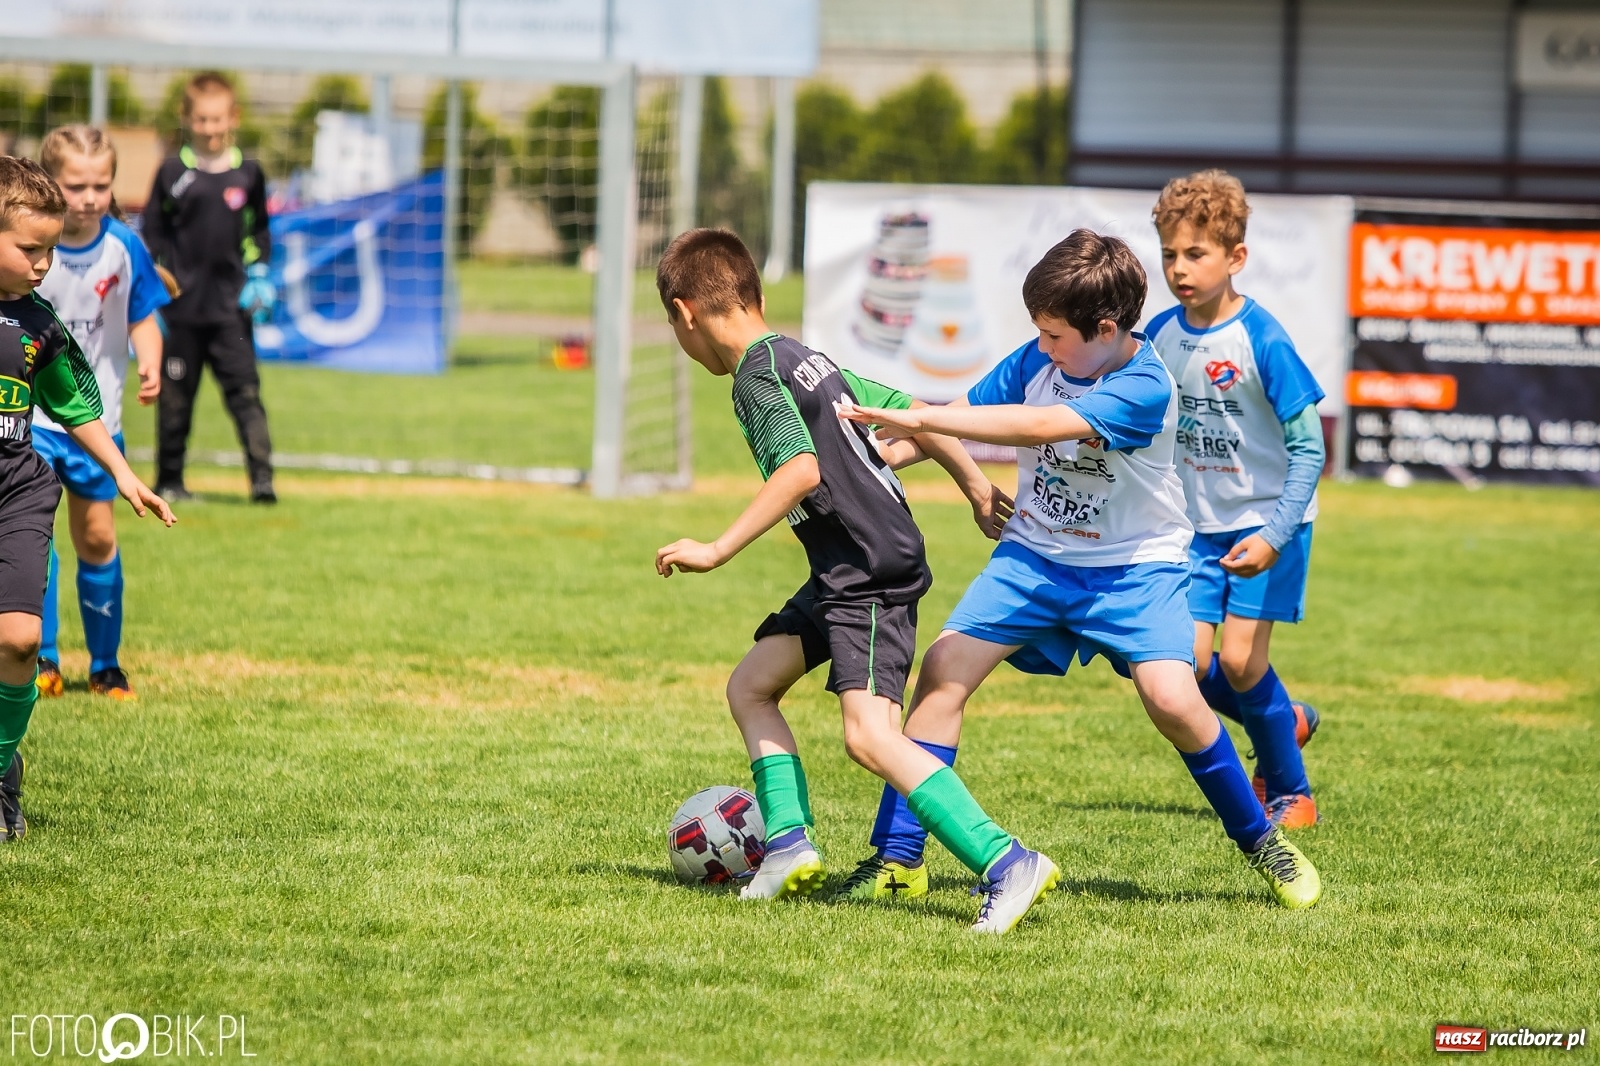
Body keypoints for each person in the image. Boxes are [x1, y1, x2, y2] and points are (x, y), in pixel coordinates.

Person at [836, 229, 1321, 909]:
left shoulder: (1145, 383)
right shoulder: (1042, 358)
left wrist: (911, 415)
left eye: (1054, 336)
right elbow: (955, 419)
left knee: (1175, 700)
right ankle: (899, 857)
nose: (1042, 348)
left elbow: (1037, 428)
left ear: (1104, 328)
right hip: (1034, 558)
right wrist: (873, 454)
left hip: (1135, 570)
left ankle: (1261, 842)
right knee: (944, 674)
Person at [653, 228, 1057, 933]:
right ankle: (785, 846)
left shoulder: (755, 377)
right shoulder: (805, 359)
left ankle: (1007, 862)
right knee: (750, 684)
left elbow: (801, 470)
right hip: (847, 565)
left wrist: (718, 548)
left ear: (685, 313)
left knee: (870, 737)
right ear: (756, 294)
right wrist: (971, 484)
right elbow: (911, 413)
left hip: (866, 572)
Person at [0, 156, 174, 839]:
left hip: (17, 486)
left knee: (18, 639)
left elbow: (76, 406)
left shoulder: (39, 326)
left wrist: (126, 476)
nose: (44, 264)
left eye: (48, 250)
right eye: (29, 249)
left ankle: (0, 768)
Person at [1146, 170, 1324, 828]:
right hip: (1192, 532)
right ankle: (1285, 718)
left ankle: (1290, 789)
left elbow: (1310, 449)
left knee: (1246, 664)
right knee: (1183, 665)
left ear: (1235, 258)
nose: (1178, 269)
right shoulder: (1159, 335)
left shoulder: (1264, 341)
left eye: (1195, 254)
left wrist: (1275, 535)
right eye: (1168, 254)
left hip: (1270, 523)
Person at [33, 125, 170, 701]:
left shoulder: (123, 246)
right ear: (47, 184)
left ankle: (106, 664)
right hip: (32, 421)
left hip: (96, 421)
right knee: (31, 537)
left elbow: (143, 313)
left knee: (96, 534)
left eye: (100, 185)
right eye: (75, 185)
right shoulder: (27, 244)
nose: (89, 198)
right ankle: (42, 659)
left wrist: (151, 360)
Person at [141, 70, 276, 504]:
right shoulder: (171, 172)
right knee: (175, 402)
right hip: (180, 313)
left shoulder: (249, 175)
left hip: (230, 313)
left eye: (217, 119)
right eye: (201, 119)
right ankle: (169, 481)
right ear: (187, 118)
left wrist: (258, 275)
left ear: (232, 118)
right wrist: (158, 276)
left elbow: (260, 233)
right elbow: (154, 233)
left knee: (245, 395)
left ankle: (262, 482)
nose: (210, 128)